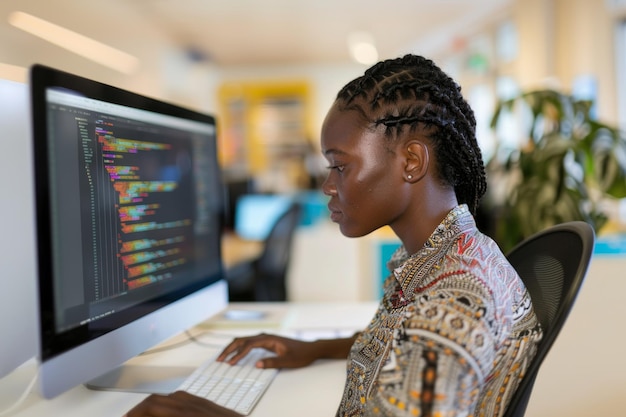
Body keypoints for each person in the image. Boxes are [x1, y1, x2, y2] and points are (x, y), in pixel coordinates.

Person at [125, 54, 543, 417]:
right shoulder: (447, 256)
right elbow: (405, 341)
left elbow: (431, 338)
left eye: (340, 166)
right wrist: (317, 347)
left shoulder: (453, 305)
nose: (327, 185)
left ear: (411, 161)